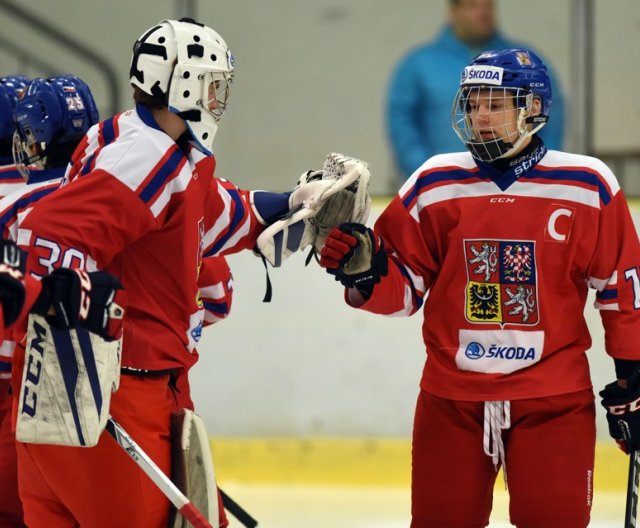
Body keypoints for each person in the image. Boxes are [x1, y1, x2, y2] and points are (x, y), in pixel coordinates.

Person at [12, 17, 334, 528]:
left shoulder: (142, 143)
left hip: (88, 392)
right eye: (212, 84)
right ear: (181, 80)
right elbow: (47, 233)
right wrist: (73, 308)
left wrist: (292, 202)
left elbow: (215, 214)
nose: (218, 98)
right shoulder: (148, 156)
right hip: (112, 393)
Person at [320, 48, 640, 527]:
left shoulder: (586, 183)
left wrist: (631, 378)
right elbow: (404, 289)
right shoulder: (434, 182)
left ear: (532, 107)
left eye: (495, 103)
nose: (480, 117)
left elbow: (623, 288)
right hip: (452, 402)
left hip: (552, 400)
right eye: (472, 104)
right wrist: (365, 273)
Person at [387, 0, 565, 180]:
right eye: (473, 6)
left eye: (488, 6)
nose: (483, 13)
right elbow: (402, 123)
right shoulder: (419, 64)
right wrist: (427, 172)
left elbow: (551, 112)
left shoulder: (524, 61)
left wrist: (537, 166)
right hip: (444, 182)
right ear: (453, 12)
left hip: (519, 182)